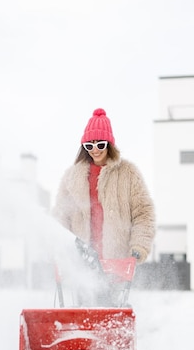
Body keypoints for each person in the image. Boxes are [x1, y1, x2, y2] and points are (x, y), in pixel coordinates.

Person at [53, 107, 155, 264]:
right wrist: (58, 248)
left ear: (109, 145)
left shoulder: (128, 173)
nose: (95, 150)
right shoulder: (71, 178)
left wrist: (139, 245)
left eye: (100, 145)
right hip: (81, 265)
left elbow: (143, 213)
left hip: (116, 263)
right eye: (89, 146)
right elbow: (61, 215)